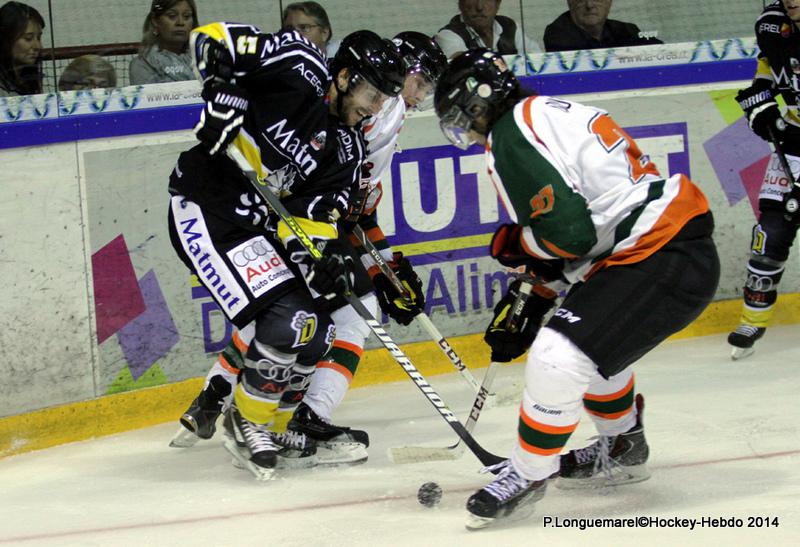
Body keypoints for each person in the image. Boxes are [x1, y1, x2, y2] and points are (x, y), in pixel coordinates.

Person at [433, 49, 719, 529]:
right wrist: (542, 285)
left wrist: (517, 243)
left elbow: (569, 235)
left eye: (463, 116)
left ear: (482, 100)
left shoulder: (510, 133)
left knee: (558, 354)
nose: (468, 128)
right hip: (664, 248)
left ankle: (528, 474)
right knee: (591, 349)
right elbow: (588, 225)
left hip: (662, 251)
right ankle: (623, 444)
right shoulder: (542, 112)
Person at [172, 32, 447, 468]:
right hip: (207, 204)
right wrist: (220, 90)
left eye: (384, 99)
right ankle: (245, 418)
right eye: (373, 95)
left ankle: (268, 424)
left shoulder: (349, 146)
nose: (377, 109)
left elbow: (316, 213)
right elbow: (211, 40)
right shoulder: (299, 62)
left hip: (256, 227)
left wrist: (328, 256)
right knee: (290, 319)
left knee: (317, 329)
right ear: (344, 76)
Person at [727, 0, 800, 360]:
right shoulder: (772, 24)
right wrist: (762, 106)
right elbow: (767, 69)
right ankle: (752, 319)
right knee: (771, 233)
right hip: (795, 145)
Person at [435, 0, 541, 59]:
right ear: (460, 3)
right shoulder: (447, 36)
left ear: (497, 4)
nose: (480, 7)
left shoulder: (510, 27)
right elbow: (464, 66)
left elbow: (538, 59)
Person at [544, 0, 662, 52]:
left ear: (609, 2)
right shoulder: (558, 34)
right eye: (581, 0)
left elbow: (663, 52)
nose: (589, 5)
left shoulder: (626, 30)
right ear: (570, 2)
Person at [129, 0, 197, 85]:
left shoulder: (205, 58)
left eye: (186, 16)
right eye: (172, 16)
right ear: (155, 22)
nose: (180, 22)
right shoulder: (142, 65)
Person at [0, 1, 43, 97]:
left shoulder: (30, 78)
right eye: (28, 38)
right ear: (6, 39)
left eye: (39, 38)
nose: (38, 46)